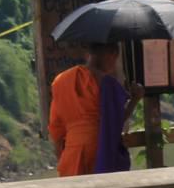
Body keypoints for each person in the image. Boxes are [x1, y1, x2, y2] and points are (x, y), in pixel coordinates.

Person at [48, 43, 140, 177]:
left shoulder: (60, 81)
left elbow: (56, 129)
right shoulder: (107, 83)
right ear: (112, 54)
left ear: (88, 53)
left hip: (72, 154)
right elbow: (115, 122)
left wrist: (62, 159)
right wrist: (135, 99)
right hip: (100, 151)